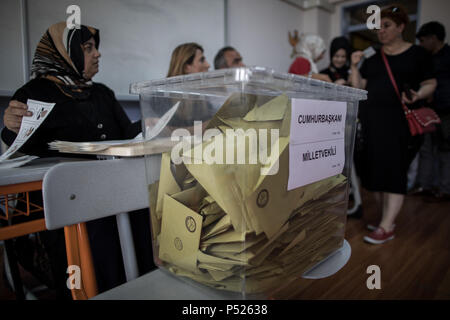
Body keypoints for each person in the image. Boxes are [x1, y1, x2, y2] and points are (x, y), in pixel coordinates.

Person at [1, 22, 154, 297]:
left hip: (112, 191)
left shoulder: (102, 93)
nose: (97, 54)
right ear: (64, 52)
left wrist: (152, 123)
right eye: (87, 48)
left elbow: (126, 133)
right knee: (100, 238)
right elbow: (22, 145)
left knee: (145, 210)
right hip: (68, 203)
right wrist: (11, 127)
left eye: (96, 47)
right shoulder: (34, 93)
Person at [349, 5, 437, 244]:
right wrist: (354, 66)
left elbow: (430, 83)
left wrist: (418, 94)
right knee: (375, 173)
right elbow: (358, 88)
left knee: (394, 172)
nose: (381, 31)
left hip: (399, 124)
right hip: (371, 122)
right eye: (378, 27)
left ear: (400, 27)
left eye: (386, 25)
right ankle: (385, 220)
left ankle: (387, 226)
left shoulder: (418, 55)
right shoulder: (374, 58)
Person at [413, 22, 450, 201]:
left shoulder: (449, 57)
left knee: (445, 149)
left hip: (446, 112)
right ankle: (424, 185)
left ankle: (444, 189)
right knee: (425, 150)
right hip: (426, 111)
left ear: (433, 38)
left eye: (422, 40)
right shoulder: (424, 59)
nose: (421, 44)